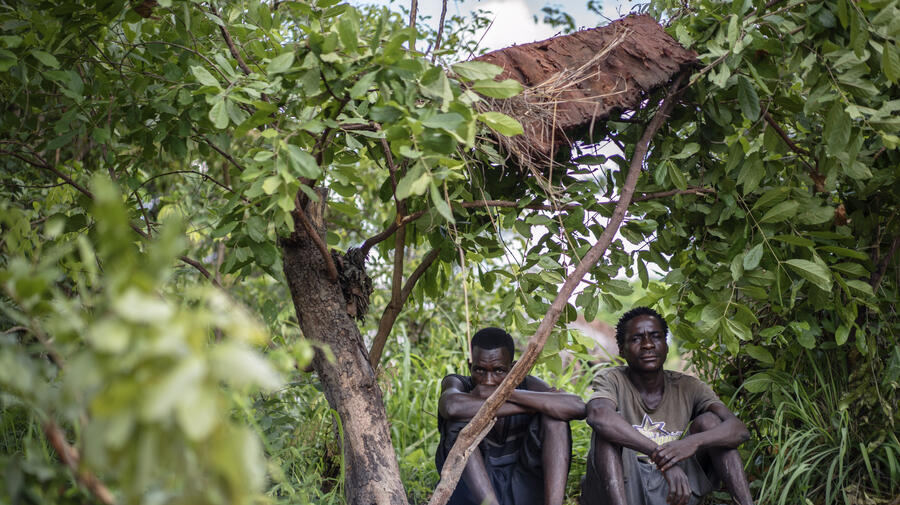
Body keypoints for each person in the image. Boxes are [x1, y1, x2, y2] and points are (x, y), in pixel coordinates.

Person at [581, 307, 754, 505]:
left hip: (675, 490)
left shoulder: (689, 386)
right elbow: (599, 415)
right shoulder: (612, 379)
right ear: (621, 349)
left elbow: (739, 430)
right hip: (624, 488)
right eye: (636, 339)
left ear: (665, 345)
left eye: (655, 337)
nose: (647, 344)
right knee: (606, 431)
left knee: (711, 423)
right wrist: (660, 456)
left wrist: (693, 442)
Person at [436, 327, 586, 505]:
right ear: (470, 367)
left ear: (514, 369)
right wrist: (530, 406)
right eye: (480, 370)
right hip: (472, 495)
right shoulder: (458, 383)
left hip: (523, 487)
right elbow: (452, 407)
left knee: (555, 421)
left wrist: (506, 393)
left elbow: (577, 407)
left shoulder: (527, 384)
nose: (488, 380)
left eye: (499, 371)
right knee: (457, 425)